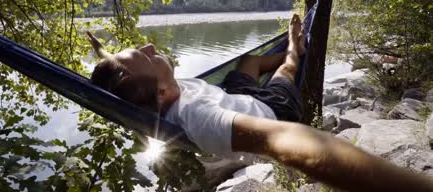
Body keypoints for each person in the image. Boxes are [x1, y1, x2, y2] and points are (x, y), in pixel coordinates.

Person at [87, 15, 433, 191]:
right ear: (161, 94)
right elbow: (281, 140)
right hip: (271, 107)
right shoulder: (198, 116)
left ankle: (281, 50)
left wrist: (103, 51)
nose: (149, 47)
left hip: (235, 95)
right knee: (285, 71)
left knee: (248, 63)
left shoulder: (159, 91)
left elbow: (120, 78)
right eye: (146, 57)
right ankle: (293, 51)